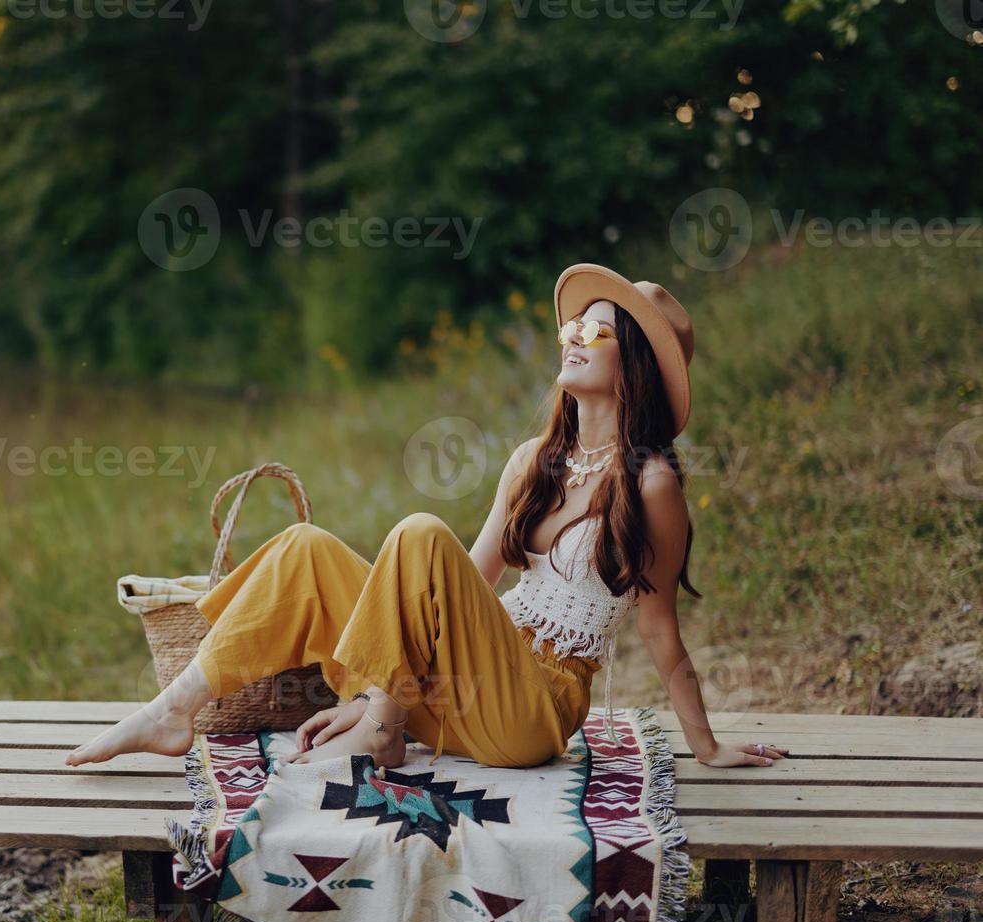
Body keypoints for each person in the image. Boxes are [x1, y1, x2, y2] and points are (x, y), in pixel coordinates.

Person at [65, 263, 789, 771]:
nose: (569, 335)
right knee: (304, 548)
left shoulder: (653, 483)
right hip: (459, 683)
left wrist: (706, 745)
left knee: (417, 532)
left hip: (529, 712)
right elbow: (466, 579)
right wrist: (394, 679)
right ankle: (174, 710)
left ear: (631, 360)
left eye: (593, 331)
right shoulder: (534, 460)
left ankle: (383, 722)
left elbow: (661, 630)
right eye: (571, 323)